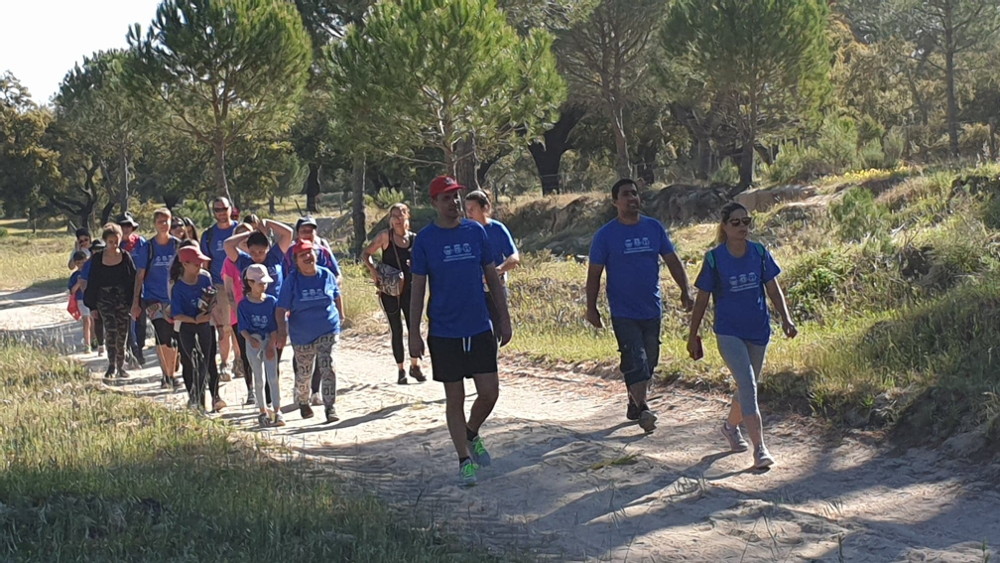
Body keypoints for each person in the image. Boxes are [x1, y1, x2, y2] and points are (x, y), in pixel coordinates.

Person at [409, 175, 512, 487]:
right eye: (446, 198)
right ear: (434, 204)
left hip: (479, 325)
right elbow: (417, 288)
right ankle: (464, 459)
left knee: (489, 392)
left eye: (456, 197)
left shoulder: (475, 231)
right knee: (455, 397)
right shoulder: (426, 240)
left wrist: (504, 318)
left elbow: (492, 277)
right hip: (444, 331)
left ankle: (470, 432)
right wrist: (413, 332)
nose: (453, 203)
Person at [687, 202, 797, 470]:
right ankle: (760, 449)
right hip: (729, 332)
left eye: (745, 221)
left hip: (758, 330)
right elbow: (702, 300)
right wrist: (693, 334)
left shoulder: (759, 253)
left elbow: (773, 289)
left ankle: (729, 427)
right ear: (724, 226)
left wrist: (786, 318)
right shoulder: (715, 258)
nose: (742, 227)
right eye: (735, 222)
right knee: (748, 385)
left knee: (746, 386)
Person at [585, 178, 693, 433]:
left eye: (635, 194)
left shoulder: (653, 228)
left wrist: (685, 290)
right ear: (615, 202)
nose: (632, 198)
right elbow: (594, 274)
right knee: (635, 359)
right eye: (625, 194)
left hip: (651, 308)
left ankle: (634, 401)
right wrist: (591, 308)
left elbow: (672, 260)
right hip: (623, 311)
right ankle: (644, 408)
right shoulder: (606, 235)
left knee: (650, 360)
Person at [224, 215, 293, 404]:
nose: (257, 256)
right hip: (252, 315)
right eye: (254, 251)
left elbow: (288, 233)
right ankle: (256, 394)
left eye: (261, 251)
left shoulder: (275, 256)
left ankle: (272, 398)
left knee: (274, 357)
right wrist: (248, 233)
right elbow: (228, 245)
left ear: (268, 249)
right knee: (255, 359)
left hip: (275, 314)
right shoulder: (245, 261)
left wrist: (267, 223)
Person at [276, 239, 344, 423]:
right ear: (296, 260)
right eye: (302, 255)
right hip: (302, 333)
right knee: (304, 372)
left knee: (327, 366)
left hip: (327, 328)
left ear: (316, 255)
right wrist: (282, 332)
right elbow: (280, 308)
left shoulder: (326, 275)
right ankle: (303, 400)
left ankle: (330, 407)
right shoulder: (292, 281)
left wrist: (341, 317)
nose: (307, 257)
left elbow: (336, 296)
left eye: (309, 253)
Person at [362, 203, 425, 384]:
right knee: (396, 329)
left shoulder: (415, 239)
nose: (398, 219)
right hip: (389, 290)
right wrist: (374, 272)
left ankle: (416, 366)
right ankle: (401, 370)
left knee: (414, 328)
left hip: (410, 290)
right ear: (390, 218)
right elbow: (366, 253)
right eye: (395, 215)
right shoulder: (385, 237)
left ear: (408, 216)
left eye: (401, 214)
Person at [284, 216, 342, 405]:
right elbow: (284, 277)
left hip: (325, 315)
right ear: (297, 233)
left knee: (325, 358)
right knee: (303, 359)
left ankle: (318, 394)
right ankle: (302, 390)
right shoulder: (291, 252)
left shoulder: (322, 249)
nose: (308, 233)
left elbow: (337, 273)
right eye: (304, 230)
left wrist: (330, 288)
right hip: (299, 315)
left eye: (311, 230)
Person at [171, 245, 225, 413]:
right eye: (196, 263)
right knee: (194, 363)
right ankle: (197, 401)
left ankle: (210, 399)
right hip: (187, 328)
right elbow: (177, 314)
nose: (199, 266)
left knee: (207, 362)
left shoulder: (204, 278)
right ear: (185, 264)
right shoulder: (178, 287)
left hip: (205, 326)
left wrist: (216, 321)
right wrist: (194, 319)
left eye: (201, 263)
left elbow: (211, 299)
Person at [132, 208, 181, 389]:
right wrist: (136, 301)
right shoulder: (148, 247)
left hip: (175, 298)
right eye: (160, 221)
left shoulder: (177, 245)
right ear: (154, 224)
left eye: (166, 220)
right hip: (154, 299)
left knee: (174, 337)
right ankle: (167, 375)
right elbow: (140, 275)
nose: (163, 224)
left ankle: (172, 370)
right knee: (162, 334)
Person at [83, 223, 137, 379]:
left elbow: (133, 281)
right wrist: (92, 306)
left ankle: (121, 366)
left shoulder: (126, 257)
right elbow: (92, 282)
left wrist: (134, 303)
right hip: (104, 300)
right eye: (111, 241)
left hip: (122, 299)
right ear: (105, 241)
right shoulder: (98, 259)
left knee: (122, 333)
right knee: (110, 331)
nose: (114, 244)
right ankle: (111, 365)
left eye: (117, 241)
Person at [464, 190, 520, 326]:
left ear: (485, 208)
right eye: (467, 210)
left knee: (498, 328)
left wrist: (497, 271)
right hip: (471, 290)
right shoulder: (463, 231)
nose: (469, 213)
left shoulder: (498, 229)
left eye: (473, 209)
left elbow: (514, 257)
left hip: (495, 289)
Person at [238, 264, 283, 428]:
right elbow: (242, 328)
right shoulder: (243, 305)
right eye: (259, 283)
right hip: (253, 342)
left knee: (273, 377)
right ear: (249, 282)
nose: (263, 286)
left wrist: (271, 344)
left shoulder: (271, 301)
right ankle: (262, 411)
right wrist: (250, 339)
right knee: (258, 377)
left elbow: (274, 325)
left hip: (269, 340)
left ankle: (277, 410)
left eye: (265, 283)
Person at [201, 197, 239, 381]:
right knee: (225, 327)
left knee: (240, 326)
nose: (221, 213)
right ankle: (225, 363)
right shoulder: (208, 235)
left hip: (241, 284)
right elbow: (205, 263)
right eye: (217, 210)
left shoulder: (239, 231)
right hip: (220, 285)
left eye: (224, 208)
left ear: (231, 208)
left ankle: (241, 361)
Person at [117, 212, 149, 366]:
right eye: (122, 225)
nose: (126, 228)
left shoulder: (141, 243)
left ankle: (140, 347)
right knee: (128, 320)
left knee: (141, 321)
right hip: (122, 288)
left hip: (141, 286)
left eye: (128, 225)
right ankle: (133, 350)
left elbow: (144, 267)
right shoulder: (115, 245)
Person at [68, 250, 93, 352]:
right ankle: (87, 344)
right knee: (86, 320)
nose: (81, 265)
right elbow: (72, 291)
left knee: (94, 320)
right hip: (81, 299)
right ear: (75, 263)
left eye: (83, 262)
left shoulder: (91, 271)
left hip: (92, 298)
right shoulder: (75, 275)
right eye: (78, 263)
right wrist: (78, 283)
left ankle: (95, 339)